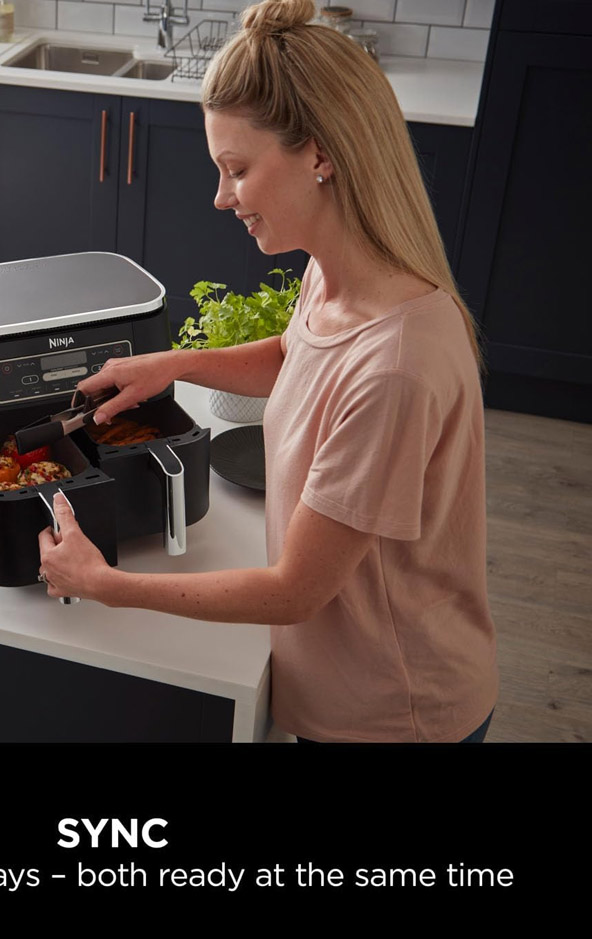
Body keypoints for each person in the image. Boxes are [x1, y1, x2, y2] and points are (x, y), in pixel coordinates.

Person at [37, 0, 498, 743]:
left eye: (237, 169)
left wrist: (105, 585)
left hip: (393, 713)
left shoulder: (396, 369)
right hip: (337, 684)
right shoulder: (340, 275)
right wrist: (171, 367)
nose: (221, 197)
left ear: (319, 155)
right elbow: (296, 358)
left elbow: (295, 591)